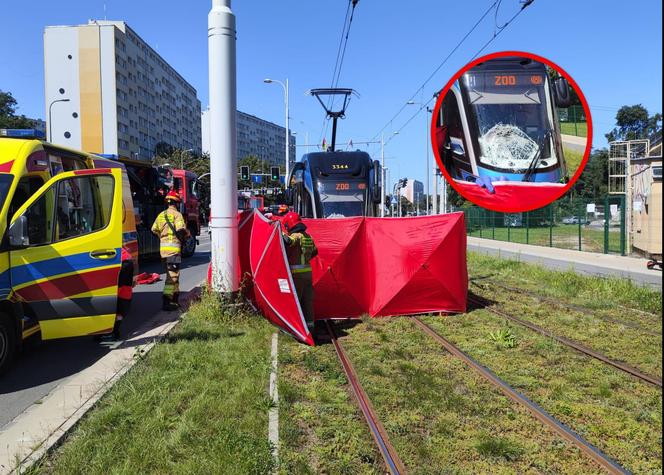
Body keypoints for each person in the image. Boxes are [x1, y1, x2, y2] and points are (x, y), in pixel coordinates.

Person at [151, 190, 190, 311]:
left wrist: (162, 238)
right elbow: (180, 230)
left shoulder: (161, 215)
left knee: (174, 275)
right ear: (177, 203)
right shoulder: (177, 215)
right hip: (173, 250)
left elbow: (153, 229)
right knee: (172, 277)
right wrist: (188, 235)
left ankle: (175, 299)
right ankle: (167, 300)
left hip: (163, 251)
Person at [281, 212, 318, 329]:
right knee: (307, 302)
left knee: (295, 302)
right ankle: (310, 328)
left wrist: (278, 230)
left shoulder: (297, 236)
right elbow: (315, 251)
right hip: (308, 274)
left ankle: (296, 328)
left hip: (297, 276)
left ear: (289, 225)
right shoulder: (308, 236)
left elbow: (288, 241)